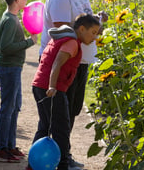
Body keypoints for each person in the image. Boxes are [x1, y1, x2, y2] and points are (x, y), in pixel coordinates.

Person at [39, 0, 108, 168]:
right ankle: (56, 159)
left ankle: (61, 156)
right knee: (60, 116)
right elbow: (65, 34)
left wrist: (96, 22)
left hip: (80, 61)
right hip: (65, 63)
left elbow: (82, 25)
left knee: (73, 111)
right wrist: (91, 29)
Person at [29, 13, 101, 170]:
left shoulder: (62, 38)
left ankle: (33, 165)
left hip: (40, 85)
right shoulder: (72, 43)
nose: (95, 37)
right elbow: (56, 64)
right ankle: (63, 165)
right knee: (61, 127)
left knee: (46, 125)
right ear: (82, 29)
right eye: (93, 32)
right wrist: (52, 86)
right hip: (51, 89)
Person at [0, 0, 38, 163]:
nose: (27, 0)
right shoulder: (10, 20)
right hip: (9, 67)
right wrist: (29, 42)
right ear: (17, 0)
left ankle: (9, 145)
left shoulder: (13, 17)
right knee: (7, 108)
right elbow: (5, 47)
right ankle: (0, 149)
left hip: (14, 68)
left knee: (15, 106)